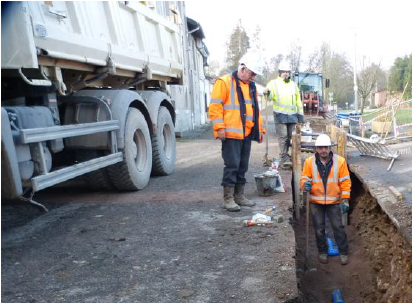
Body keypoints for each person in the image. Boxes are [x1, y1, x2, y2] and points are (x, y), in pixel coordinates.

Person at [209, 53, 266, 212]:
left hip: (246, 133)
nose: (253, 77)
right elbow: (215, 106)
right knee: (232, 165)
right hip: (231, 133)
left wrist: (260, 129)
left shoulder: (251, 86)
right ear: (242, 68)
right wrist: (219, 127)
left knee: (243, 166)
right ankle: (228, 198)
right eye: (252, 73)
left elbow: (256, 110)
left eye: (254, 74)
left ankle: (239, 195)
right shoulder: (224, 82)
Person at [300, 134, 351, 265]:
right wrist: (305, 184)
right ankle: (322, 251)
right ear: (316, 149)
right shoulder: (309, 162)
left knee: (338, 227)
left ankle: (343, 252)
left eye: (326, 147)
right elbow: (304, 178)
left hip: (334, 202)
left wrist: (345, 199)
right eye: (321, 147)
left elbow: (345, 181)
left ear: (330, 148)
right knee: (319, 228)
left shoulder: (340, 161)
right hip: (315, 202)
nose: (323, 150)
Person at [265, 61, 304, 169]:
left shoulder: (293, 85)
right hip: (280, 114)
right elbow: (269, 97)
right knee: (283, 137)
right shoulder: (273, 84)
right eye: (284, 72)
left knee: (291, 138)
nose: (286, 74)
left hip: (292, 115)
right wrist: (267, 93)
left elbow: (298, 101)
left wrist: (300, 116)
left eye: (287, 72)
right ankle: (284, 158)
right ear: (280, 73)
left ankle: (289, 156)